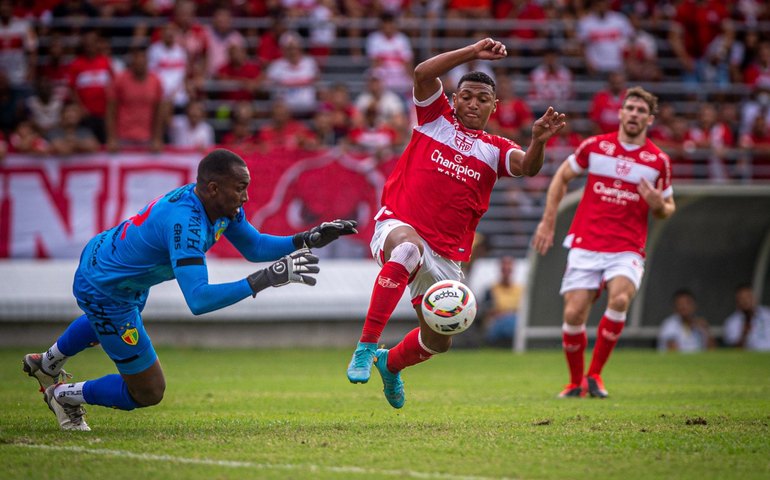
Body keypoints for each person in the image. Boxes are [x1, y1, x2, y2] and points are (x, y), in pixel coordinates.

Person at [22, 149, 358, 431]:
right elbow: (198, 300)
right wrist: (265, 279)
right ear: (213, 188)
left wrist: (307, 238)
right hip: (104, 288)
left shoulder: (217, 205)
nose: (246, 197)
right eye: (240, 189)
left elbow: (254, 246)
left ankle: (48, 361)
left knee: (123, 318)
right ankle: (64, 394)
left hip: (114, 269)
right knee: (149, 391)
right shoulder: (187, 224)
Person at [345, 38, 566, 409]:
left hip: (446, 253)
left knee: (440, 339)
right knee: (406, 248)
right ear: (456, 97)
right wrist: (472, 52)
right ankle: (366, 347)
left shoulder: (494, 149)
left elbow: (527, 167)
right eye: (466, 96)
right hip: (399, 223)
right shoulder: (435, 118)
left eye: (482, 99)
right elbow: (421, 73)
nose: (473, 103)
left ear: (494, 106)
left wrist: (538, 142)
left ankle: (391, 363)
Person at [533, 85, 676, 399]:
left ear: (650, 119)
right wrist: (548, 221)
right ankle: (575, 384)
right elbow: (561, 177)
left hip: (626, 247)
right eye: (630, 108)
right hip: (586, 242)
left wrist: (657, 205)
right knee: (573, 315)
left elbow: (668, 208)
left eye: (641, 111)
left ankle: (595, 375)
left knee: (620, 299)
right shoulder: (595, 147)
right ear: (621, 112)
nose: (634, 114)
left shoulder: (658, 161)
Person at [480, 256, 523, 347]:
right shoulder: (491, 289)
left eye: (509, 267)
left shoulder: (521, 289)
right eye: (504, 268)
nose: (506, 270)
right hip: (497, 323)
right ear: (500, 269)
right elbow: (486, 311)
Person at [657, 289, 714, 353]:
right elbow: (673, 352)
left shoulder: (700, 324)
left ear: (694, 305)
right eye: (680, 304)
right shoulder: (669, 325)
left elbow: (712, 351)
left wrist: (706, 331)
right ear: (674, 307)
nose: (684, 307)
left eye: (688, 303)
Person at [723, 284, 770, 351]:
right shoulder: (732, 322)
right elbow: (734, 350)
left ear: (754, 298)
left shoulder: (767, 313)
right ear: (737, 301)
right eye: (742, 298)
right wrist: (744, 334)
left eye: (748, 297)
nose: (746, 301)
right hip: (751, 358)